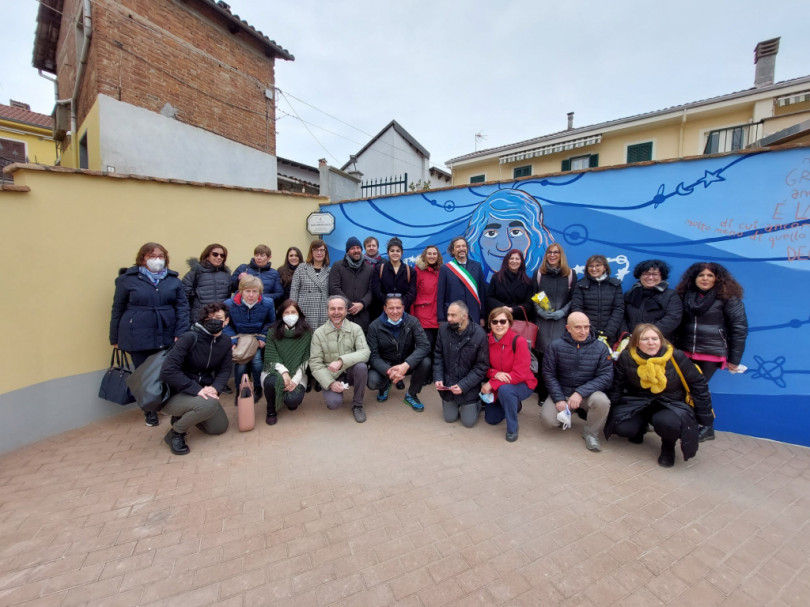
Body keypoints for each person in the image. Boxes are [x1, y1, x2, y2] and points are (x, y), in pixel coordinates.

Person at [606, 323, 713, 468]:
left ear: (661, 340)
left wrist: (705, 418)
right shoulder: (627, 356)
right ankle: (640, 429)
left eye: (655, 338)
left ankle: (668, 447)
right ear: (636, 341)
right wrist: (611, 413)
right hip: (639, 401)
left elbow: (698, 384)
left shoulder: (675, 356)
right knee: (623, 427)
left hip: (670, 402)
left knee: (668, 424)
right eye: (645, 339)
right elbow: (618, 385)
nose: (651, 343)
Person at [110, 242, 190, 427]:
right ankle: (149, 410)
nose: (157, 259)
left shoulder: (173, 280)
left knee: (167, 368)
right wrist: (114, 337)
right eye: (151, 256)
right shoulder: (127, 280)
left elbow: (182, 307)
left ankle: (167, 403)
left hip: (167, 330)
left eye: (160, 256)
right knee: (143, 372)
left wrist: (181, 331)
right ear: (142, 258)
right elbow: (117, 308)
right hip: (136, 332)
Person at [676, 262, 748, 442]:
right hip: (686, 351)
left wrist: (734, 359)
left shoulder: (727, 298)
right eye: (701, 275)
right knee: (683, 387)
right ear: (694, 278)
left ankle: (707, 426)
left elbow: (739, 328)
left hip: (711, 352)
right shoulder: (686, 296)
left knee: (698, 388)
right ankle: (686, 422)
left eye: (709, 275)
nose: (705, 279)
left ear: (717, 278)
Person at [159, 303, 231, 455]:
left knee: (219, 428)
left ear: (226, 321)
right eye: (209, 318)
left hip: (202, 391)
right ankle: (176, 433)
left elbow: (225, 370)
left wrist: (215, 388)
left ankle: (184, 416)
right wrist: (198, 390)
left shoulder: (225, 342)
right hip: (175, 392)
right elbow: (168, 371)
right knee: (209, 404)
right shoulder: (189, 338)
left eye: (218, 318)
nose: (213, 321)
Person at [540, 312, 614, 451]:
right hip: (563, 392)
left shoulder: (601, 348)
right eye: (578, 327)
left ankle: (591, 433)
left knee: (602, 401)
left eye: (586, 327)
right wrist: (559, 398)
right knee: (548, 421)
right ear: (568, 328)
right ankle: (567, 413)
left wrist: (580, 393)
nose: (583, 331)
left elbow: (605, 376)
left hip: (588, 394)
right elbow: (549, 374)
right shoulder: (555, 346)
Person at [463, 189, 553, 281]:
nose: (504, 246)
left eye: (516, 232)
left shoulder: (534, 281)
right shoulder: (474, 285)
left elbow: (540, 294)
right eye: (491, 233)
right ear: (477, 240)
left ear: (534, 239)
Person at [309, 295, 371, 423]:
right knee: (333, 404)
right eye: (332, 309)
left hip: (350, 371)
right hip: (331, 374)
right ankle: (333, 390)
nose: (336, 312)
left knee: (361, 367)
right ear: (327, 311)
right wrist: (330, 383)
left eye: (340, 309)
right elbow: (315, 363)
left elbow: (365, 352)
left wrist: (341, 361)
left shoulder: (355, 329)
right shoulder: (318, 333)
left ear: (346, 310)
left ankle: (358, 405)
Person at [367, 295, 432, 411]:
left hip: (406, 362)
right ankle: (385, 384)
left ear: (403, 308)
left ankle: (411, 394)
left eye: (398, 308)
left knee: (425, 362)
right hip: (385, 364)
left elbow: (425, 346)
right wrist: (388, 370)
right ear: (385, 309)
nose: (395, 312)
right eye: (391, 308)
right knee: (372, 381)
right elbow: (373, 356)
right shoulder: (374, 326)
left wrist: (406, 364)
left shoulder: (413, 322)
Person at [482, 307, 537, 442]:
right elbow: (482, 366)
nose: (499, 325)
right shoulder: (485, 340)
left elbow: (520, 374)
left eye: (503, 321)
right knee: (491, 419)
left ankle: (512, 428)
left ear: (509, 323)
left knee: (505, 390)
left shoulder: (519, 341)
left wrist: (492, 382)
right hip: (501, 383)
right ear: (490, 324)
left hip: (523, 383)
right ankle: (513, 405)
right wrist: (495, 373)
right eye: (495, 322)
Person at [434, 301, 489, 427]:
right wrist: (438, 378)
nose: (449, 319)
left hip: (468, 388)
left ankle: (477, 403)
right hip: (448, 385)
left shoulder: (479, 334)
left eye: (453, 315)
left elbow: (481, 367)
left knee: (468, 423)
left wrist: (463, 385)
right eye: (448, 315)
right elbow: (438, 356)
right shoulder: (443, 329)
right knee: (449, 418)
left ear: (464, 316)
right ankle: (451, 403)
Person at [223, 276, 276, 402]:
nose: (251, 295)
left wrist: (263, 336)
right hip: (239, 337)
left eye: (255, 291)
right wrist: (233, 340)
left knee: (257, 362)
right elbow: (226, 324)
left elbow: (271, 322)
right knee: (241, 364)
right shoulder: (229, 304)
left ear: (260, 292)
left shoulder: (268, 303)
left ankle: (258, 388)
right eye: (247, 291)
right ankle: (240, 389)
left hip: (256, 337)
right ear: (241, 291)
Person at [261, 300, 312, 426]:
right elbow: (271, 356)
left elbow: (306, 359)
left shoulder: (307, 333)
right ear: (281, 315)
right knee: (270, 382)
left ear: (299, 314)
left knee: (293, 401)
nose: (290, 315)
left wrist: (295, 380)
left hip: (298, 373)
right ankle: (271, 410)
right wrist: (284, 372)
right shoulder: (273, 331)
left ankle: (286, 397)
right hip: (275, 369)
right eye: (286, 312)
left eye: (293, 312)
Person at [570, 254, 624, 344]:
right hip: (586, 334)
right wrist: (590, 330)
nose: (594, 269)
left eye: (598, 265)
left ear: (605, 267)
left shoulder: (615, 285)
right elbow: (577, 309)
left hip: (610, 335)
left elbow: (618, 309)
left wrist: (610, 331)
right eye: (591, 266)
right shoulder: (580, 285)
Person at [623, 259, 682, 341]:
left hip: (659, 342)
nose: (650, 277)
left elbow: (673, 318)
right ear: (639, 276)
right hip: (632, 340)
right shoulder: (629, 294)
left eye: (655, 274)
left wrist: (646, 335)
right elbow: (622, 317)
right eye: (645, 274)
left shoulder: (670, 295)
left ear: (662, 276)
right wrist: (626, 334)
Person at [437, 236, 486, 326]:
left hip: (474, 314)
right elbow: (440, 295)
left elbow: (481, 293)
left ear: (467, 249)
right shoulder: (445, 268)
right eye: (458, 246)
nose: (461, 249)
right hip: (454, 315)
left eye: (464, 246)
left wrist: (482, 316)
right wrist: (441, 318)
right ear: (453, 251)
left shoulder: (477, 266)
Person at [329, 236, 374, 332]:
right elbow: (334, 288)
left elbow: (371, 290)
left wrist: (362, 304)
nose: (356, 250)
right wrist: (348, 305)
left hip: (363, 316)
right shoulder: (337, 266)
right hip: (343, 316)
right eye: (352, 248)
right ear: (347, 251)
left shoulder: (369, 269)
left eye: (358, 248)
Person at [181, 243, 232, 325]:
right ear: (207, 256)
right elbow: (184, 297)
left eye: (222, 255)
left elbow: (229, 296)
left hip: (220, 320)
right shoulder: (195, 272)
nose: (219, 257)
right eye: (215, 254)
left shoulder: (226, 274)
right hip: (200, 319)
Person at [290, 239, 331, 330]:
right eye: (316, 250)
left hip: (323, 310)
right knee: (304, 336)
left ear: (326, 252)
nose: (319, 253)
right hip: (304, 309)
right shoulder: (301, 268)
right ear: (311, 252)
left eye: (322, 250)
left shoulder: (329, 271)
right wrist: (292, 309)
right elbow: (294, 290)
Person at [486, 249, 534, 323]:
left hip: (519, 322)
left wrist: (513, 310)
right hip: (499, 320)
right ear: (506, 261)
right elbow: (489, 298)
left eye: (517, 259)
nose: (514, 261)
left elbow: (529, 304)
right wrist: (502, 307)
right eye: (511, 258)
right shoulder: (496, 278)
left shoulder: (528, 282)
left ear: (521, 262)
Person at [411, 245, 443, 356]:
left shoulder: (442, 271)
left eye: (435, 254)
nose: (432, 256)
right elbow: (412, 294)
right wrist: (412, 317)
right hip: (423, 318)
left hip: (438, 317)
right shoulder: (418, 271)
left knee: (438, 350)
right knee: (426, 349)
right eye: (429, 253)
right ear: (425, 255)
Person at [371, 237, 416, 311]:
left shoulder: (410, 271)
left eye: (398, 251)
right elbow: (376, 291)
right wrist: (389, 304)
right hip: (383, 311)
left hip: (403, 311)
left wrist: (400, 305)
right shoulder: (379, 269)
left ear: (402, 252)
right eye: (392, 251)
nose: (395, 253)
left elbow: (411, 293)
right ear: (388, 252)